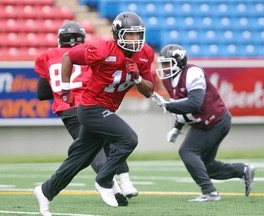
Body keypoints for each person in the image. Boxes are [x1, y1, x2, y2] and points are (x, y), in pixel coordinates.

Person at [33, 11, 155, 215]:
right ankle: (104, 180)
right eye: (129, 35)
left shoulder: (145, 53)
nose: (135, 40)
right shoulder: (101, 49)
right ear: (117, 34)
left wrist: (137, 79)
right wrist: (65, 89)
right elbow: (68, 56)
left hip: (105, 108)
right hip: (91, 108)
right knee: (129, 139)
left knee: (78, 159)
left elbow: (149, 91)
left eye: (137, 34)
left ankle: (45, 191)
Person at [151, 43, 255, 202]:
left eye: (167, 63)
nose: (164, 67)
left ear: (179, 61)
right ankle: (242, 170)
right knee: (207, 166)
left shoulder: (193, 72)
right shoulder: (168, 79)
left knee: (187, 151)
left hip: (216, 120)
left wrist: (167, 105)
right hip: (204, 122)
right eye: (162, 63)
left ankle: (210, 192)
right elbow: (182, 105)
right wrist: (176, 127)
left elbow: (194, 103)